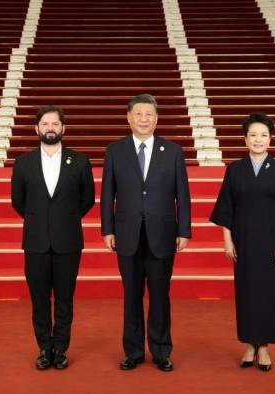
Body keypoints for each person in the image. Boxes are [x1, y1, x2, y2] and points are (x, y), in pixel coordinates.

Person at [209, 112, 275, 372]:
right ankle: (249, 344)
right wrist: (226, 240)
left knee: (268, 292)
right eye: (253, 135)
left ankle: (263, 347)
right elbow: (225, 208)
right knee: (245, 291)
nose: (258, 139)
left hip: (270, 240)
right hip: (242, 239)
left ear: (270, 140)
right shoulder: (235, 169)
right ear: (245, 139)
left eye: (263, 135)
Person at [100, 94, 191, 372]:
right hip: (127, 234)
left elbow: (182, 196)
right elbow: (107, 194)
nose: (143, 119)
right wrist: (107, 229)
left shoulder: (173, 151)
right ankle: (133, 351)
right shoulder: (115, 151)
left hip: (163, 234)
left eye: (148, 114)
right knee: (131, 296)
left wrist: (184, 230)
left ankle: (162, 351)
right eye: (138, 114)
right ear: (128, 118)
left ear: (156, 119)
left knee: (160, 296)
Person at [11, 105, 95, 370]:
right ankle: (43, 348)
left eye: (55, 124)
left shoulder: (79, 161)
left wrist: (63, 219)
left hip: (68, 241)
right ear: (36, 129)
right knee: (38, 299)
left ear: (63, 128)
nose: (50, 128)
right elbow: (18, 202)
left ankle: (60, 349)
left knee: (64, 299)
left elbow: (88, 200)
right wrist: (41, 221)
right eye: (45, 123)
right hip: (35, 242)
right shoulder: (23, 163)